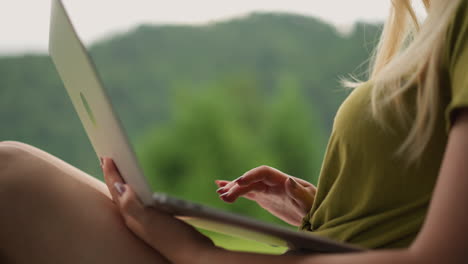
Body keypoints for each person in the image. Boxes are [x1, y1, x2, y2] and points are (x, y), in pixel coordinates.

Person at [0, 0, 467, 263]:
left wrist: (195, 253)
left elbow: (440, 256)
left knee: (12, 178)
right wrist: (313, 211)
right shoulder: (435, 30)